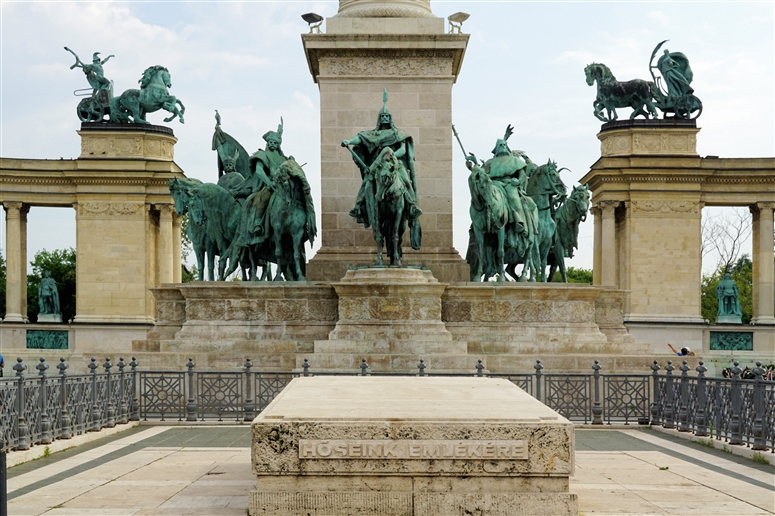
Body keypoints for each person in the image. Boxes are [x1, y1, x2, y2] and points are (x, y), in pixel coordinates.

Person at [342, 88, 421, 238]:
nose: (385, 118)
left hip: (395, 164)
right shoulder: (373, 134)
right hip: (377, 165)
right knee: (367, 182)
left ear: (391, 118)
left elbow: (403, 150)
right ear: (379, 118)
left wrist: (391, 156)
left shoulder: (397, 133)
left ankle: (412, 205)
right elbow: (360, 138)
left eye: (387, 116)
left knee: (406, 181)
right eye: (382, 116)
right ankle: (358, 206)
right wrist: (349, 141)